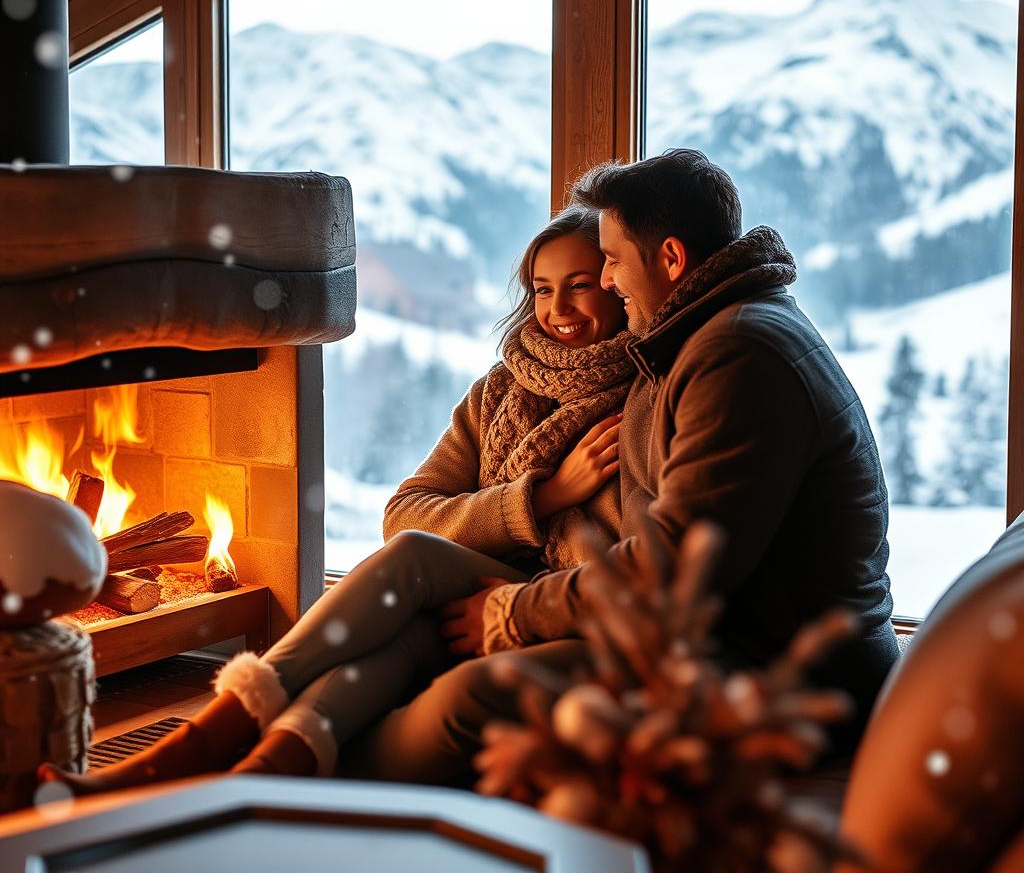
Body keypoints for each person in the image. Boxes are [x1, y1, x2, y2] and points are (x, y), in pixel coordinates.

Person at [327, 148, 899, 785]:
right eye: (549, 286)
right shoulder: (707, 338)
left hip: (779, 677)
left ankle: (324, 799)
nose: (607, 281)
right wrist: (533, 510)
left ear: (671, 259)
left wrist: (514, 613)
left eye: (613, 262)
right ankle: (276, 743)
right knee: (413, 597)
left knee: (478, 693)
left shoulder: (735, 353)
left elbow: (671, 567)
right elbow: (410, 512)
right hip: (725, 644)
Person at [40, 205, 632, 794]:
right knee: (372, 656)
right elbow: (404, 514)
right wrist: (543, 497)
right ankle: (240, 780)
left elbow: (631, 568)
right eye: (542, 289)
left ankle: (200, 746)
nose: (558, 309)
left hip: (546, 606)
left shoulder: (639, 405)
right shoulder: (499, 393)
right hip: (467, 597)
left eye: (579, 287)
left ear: (612, 284)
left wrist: (517, 597)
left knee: (416, 561)